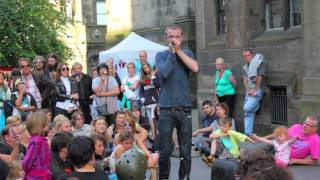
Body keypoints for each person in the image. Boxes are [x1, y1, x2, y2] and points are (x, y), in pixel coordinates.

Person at [155, 25, 199, 180]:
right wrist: (172, 54)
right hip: (166, 109)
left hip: (184, 109)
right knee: (165, 151)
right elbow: (164, 73)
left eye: (177, 36)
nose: (174, 39)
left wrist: (178, 51)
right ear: (166, 38)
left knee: (186, 153)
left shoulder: (187, 53)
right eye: (171, 37)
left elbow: (195, 68)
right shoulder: (160, 55)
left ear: (182, 38)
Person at [22, 111, 51, 179]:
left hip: (42, 174)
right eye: (47, 123)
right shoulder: (37, 141)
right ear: (40, 125)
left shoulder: (41, 139)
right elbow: (27, 161)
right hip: (36, 176)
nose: (48, 124)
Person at [242, 49, 265, 135]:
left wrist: (255, 90)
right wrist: (248, 90)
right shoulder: (245, 66)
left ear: (252, 55)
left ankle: (257, 105)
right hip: (249, 91)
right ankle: (247, 133)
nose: (246, 57)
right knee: (248, 113)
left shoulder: (258, 63)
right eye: (244, 56)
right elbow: (245, 80)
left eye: (248, 55)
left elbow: (259, 77)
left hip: (257, 90)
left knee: (246, 108)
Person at [140, 62, 159, 139]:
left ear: (149, 67)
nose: (146, 69)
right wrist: (142, 98)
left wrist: (153, 77)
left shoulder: (154, 77)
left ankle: (157, 136)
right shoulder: (143, 79)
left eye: (147, 67)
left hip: (154, 102)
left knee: (155, 119)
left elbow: (159, 85)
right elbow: (141, 91)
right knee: (150, 120)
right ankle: (154, 137)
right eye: (144, 68)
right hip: (147, 103)